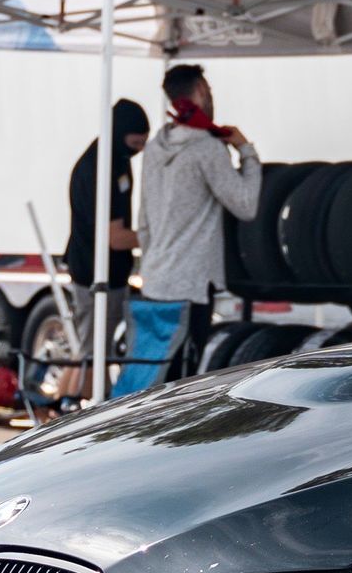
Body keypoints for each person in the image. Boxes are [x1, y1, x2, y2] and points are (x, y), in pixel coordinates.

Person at [122, 65, 260, 397]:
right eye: (209, 90)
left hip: (156, 279)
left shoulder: (155, 147)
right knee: (182, 386)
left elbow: (144, 221)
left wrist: (152, 262)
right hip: (192, 285)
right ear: (199, 90)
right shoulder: (206, 149)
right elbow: (246, 205)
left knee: (151, 382)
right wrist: (246, 150)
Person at [63, 98, 149, 337]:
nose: (139, 150)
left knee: (101, 347)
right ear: (119, 134)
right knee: (95, 348)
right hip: (95, 274)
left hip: (114, 273)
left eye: (143, 143)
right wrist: (159, 236)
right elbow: (116, 238)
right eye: (135, 143)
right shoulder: (98, 168)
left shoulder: (119, 160)